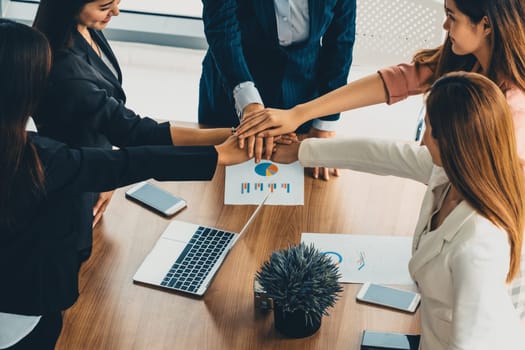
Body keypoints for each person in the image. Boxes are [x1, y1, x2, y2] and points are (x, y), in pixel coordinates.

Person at [237, 0, 525, 318]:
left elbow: (414, 162)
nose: (444, 26)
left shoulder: (510, 112)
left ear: (486, 24)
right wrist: (300, 116)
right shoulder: (467, 63)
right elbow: (400, 80)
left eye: (451, 17)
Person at [0, 19, 249, 349]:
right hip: (23, 318)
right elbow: (128, 162)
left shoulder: (31, 152)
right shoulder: (36, 157)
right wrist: (217, 155)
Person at [272, 72, 525, 349]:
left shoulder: (480, 244)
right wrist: (301, 151)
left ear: (452, 142)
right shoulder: (448, 172)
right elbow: (383, 154)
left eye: (427, 129)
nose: (422, 141)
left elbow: (469, 345)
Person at [32, 0, 234, 263]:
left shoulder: (84, 29)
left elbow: (108, 118)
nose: (116, 11)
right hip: (75, 194)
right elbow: (135, 132)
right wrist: (226, 139)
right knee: (82, 279)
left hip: (99, 173)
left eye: (117, 1)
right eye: (105, 6)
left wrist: (108, 178)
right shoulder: (66, 73)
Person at [199, 0, 356, 176]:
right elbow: (222, 26)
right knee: (213, 185)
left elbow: (341, 39)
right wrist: (249, 105)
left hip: (304, 97)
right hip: (232, 85)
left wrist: (324, 124)